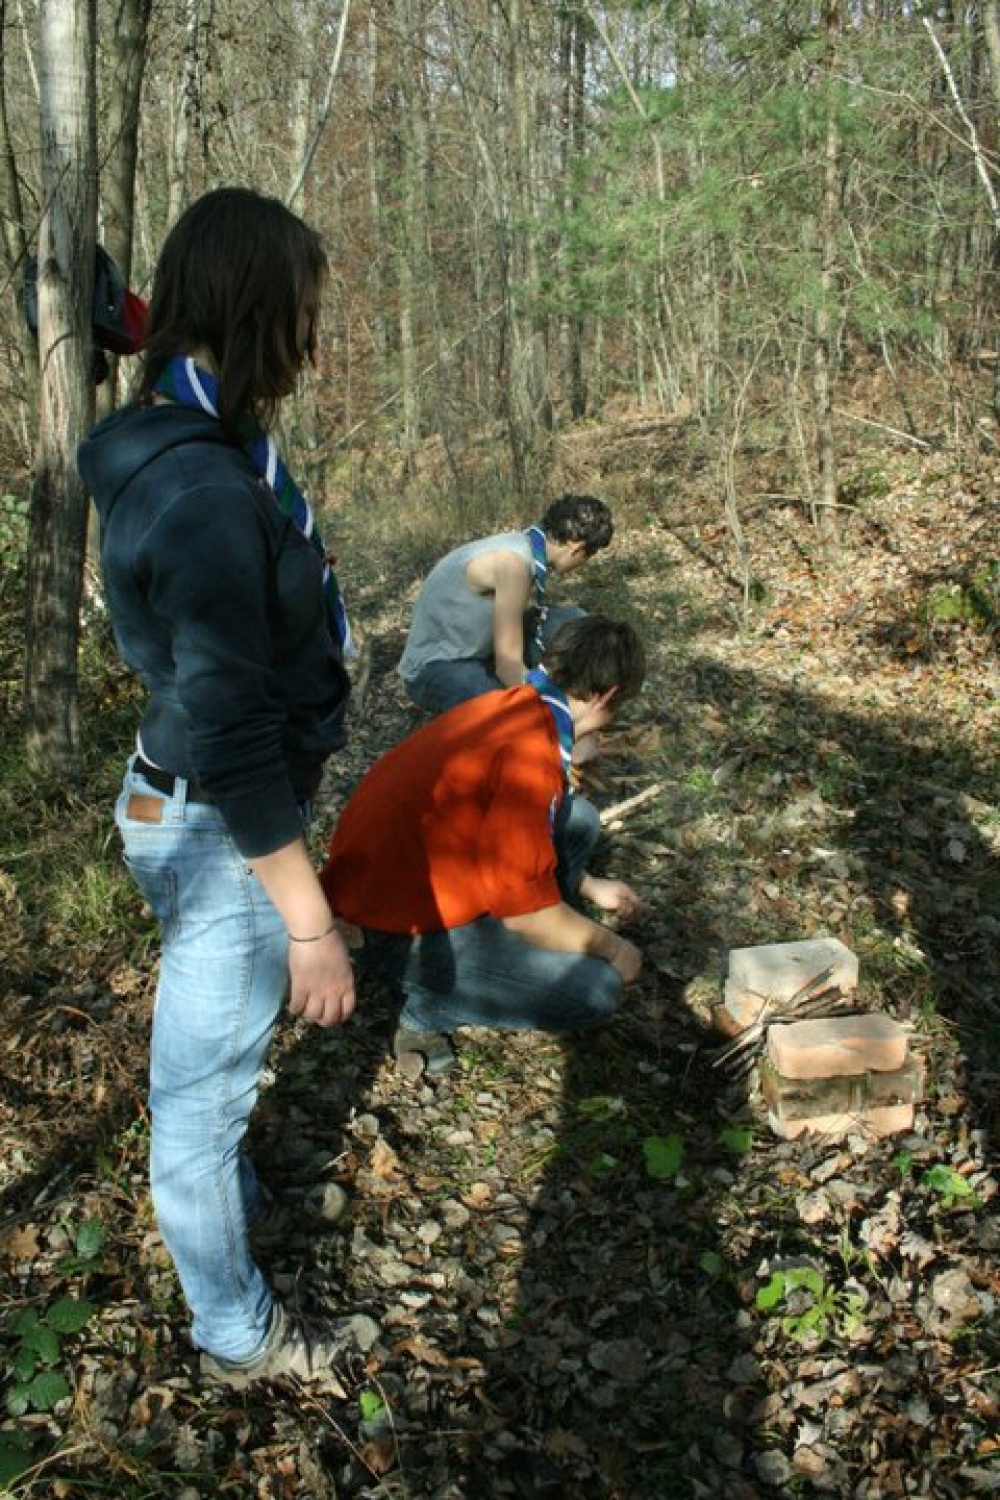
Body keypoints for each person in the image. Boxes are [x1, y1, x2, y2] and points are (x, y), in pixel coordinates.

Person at [78, 187, 374, 1392]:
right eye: (302, 311)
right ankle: (239, 1334)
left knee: (216, 1086)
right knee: (193, 1118)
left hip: (178, 807)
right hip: (221, 834)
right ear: (260, 311)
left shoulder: (188, 430)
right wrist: (308, 923)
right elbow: (237, 737)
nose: (314, 340)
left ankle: (234, 1186)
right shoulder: (203, 496)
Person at [323, 616, 646, 1074]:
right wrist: (613, 949)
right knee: (594, 990)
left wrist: (590, 886)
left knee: (581, 820)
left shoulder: (514, 704)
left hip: (382, 881)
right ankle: (425, 1010)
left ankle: (546, 936)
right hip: (388, 923)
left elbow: (499, 830)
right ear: (607, 697)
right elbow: (525, 915)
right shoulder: (531, 756)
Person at [398, 493, 613, 717]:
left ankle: (577, 694)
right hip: (435, 667)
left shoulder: (526, 544)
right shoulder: (513, 564)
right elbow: (508, 666)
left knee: (574, 624)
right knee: (503, 714)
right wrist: (548, 711)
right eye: (587, 556)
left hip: (479, 650)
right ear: (576, 548)